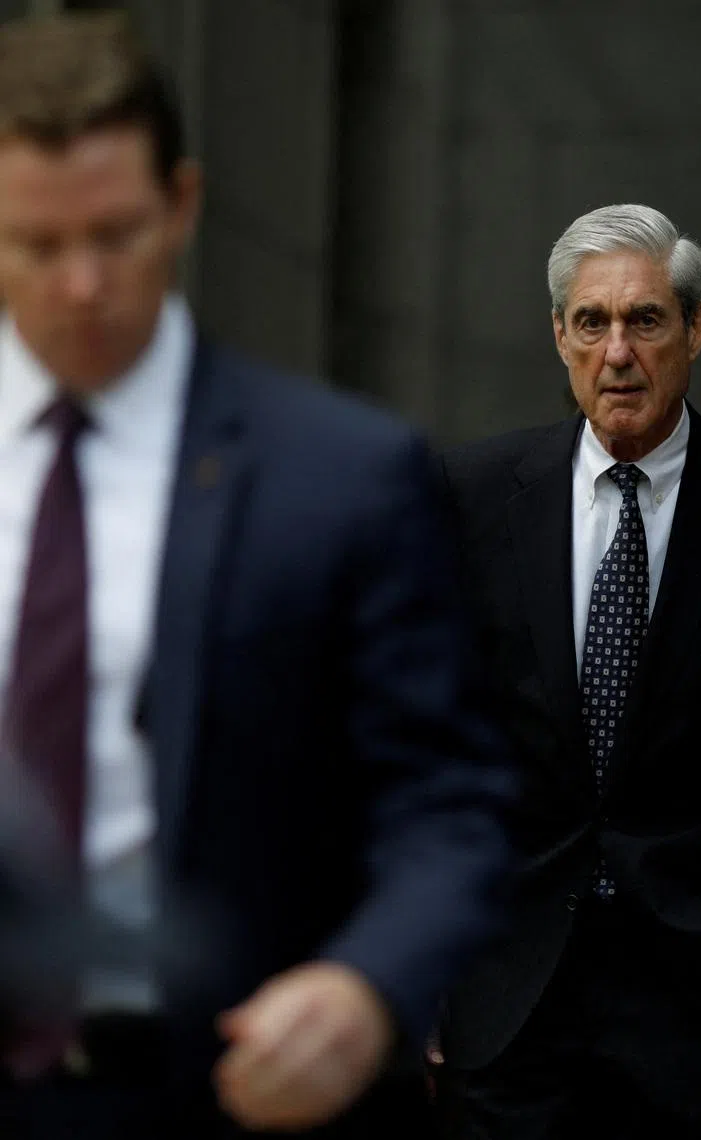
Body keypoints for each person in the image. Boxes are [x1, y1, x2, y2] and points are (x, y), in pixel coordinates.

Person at [0, 12, 515, 1139]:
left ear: (181, 205)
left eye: (117, 234)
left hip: (232, 1090)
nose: (83, 283)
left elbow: (451, 808)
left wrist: (369, 986)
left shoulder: (342, 476)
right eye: (39, 246)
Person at [433, 203, 701, 1138]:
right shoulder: (471, 498)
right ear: (559, 335)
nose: (617, 352)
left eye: (646, 320)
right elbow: (431, 739)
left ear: (695, 329)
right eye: (592, 322)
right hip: (509, 996)